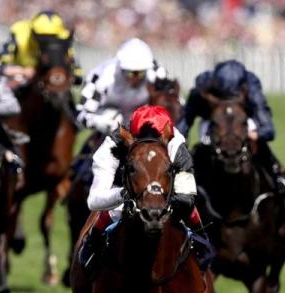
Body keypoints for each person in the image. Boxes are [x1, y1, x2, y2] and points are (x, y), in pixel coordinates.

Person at [80, 105, 212, 277]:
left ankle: (202, 241)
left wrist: (163, 200)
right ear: (133, 135)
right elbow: (94, 200)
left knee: (189, 208)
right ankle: (91, 244)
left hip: (164, 191)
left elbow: (186, 195)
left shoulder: (175, 142)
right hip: (126, 188)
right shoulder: (114, 142)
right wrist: (124, 195)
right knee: (112, 211)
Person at [179, 59, 285, 192]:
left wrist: (257, 134)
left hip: (242, 120)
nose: (228, 101)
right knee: (203, 147)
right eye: (223, 96)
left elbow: (268, 128)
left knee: (257, 143)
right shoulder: (203, 86)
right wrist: (178, 142)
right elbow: (186, 119)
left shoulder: (252, 87)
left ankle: (275, 172)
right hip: (212, 121)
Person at [0, 10, 82, 87]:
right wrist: (23, 71)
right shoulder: (20, 32)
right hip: (19, 77)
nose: (47, 42)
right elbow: (0, 66)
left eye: (52, 37)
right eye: (42, 37)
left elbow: (77, 74)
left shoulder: (62, 39)